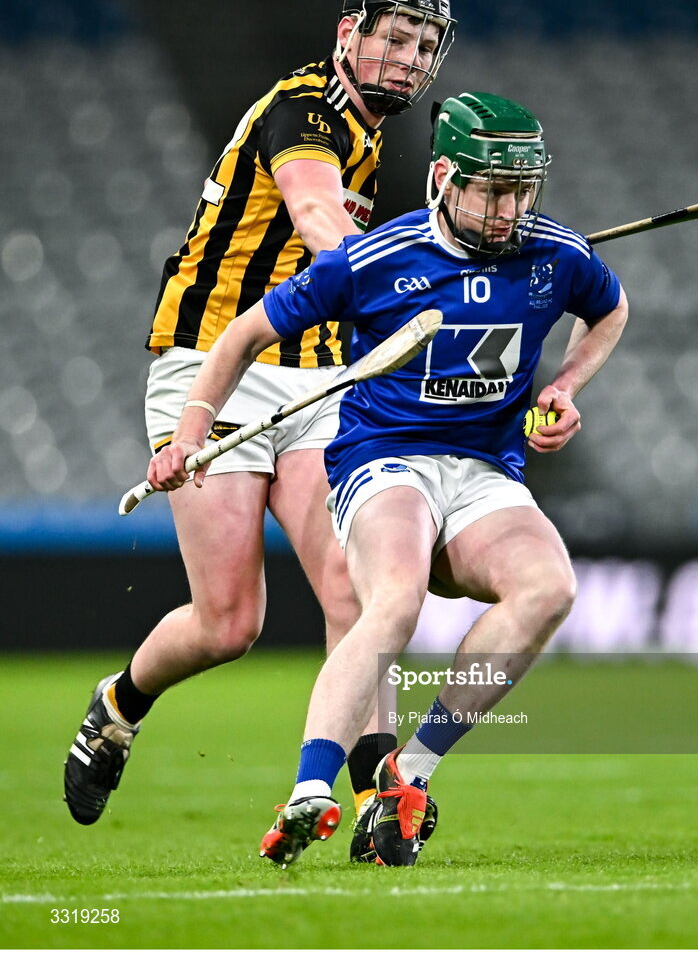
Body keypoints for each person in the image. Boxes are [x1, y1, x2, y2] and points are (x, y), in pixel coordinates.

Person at [146, 91, 629, 867]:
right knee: (393, 598)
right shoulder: (375, 260)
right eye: (491, 190)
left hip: (483, 470)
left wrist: (565, 385)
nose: (509, 210)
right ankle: (311, 787)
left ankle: (410, 773)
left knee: (550, 588)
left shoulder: (556, 254)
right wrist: (191, 432)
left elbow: (610, 308)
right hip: (384, 459)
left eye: (522, 190)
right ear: (443, 175)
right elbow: (241, 333)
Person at [63, 0, 455, 831]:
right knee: (229, 621)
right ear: (348, 34)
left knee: (357, 591)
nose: (406, 57)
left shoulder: (373, 134)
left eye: (423, 46)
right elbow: (318, 216)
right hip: (211, 362)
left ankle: (376, 788)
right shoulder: (306, 108)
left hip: (316, 376)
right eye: (392, 37)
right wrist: (406, 275)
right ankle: (119, 706)